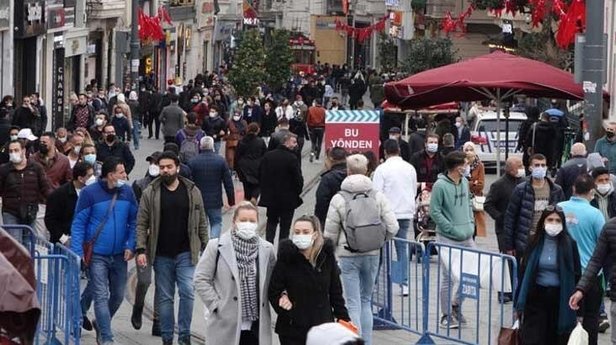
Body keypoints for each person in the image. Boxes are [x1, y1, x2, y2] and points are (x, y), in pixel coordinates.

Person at [324, 154, 398, 345]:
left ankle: (355, 342)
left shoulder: (339, 198)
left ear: (347, 171)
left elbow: (330, 234)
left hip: (348, 255)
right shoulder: (377, 195)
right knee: (366, 301)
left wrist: (332, 254)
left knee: (353, 303)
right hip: (372, 254)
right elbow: (393, 227)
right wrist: (379, 241)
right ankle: (368, 341)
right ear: (367, 170)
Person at [136, 151, 209, 345]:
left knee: (187, 291)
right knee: (166, 298)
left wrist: (206, 246)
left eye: (169, 167)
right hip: (161, 254)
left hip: (186, 252)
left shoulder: (192, 190)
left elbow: (202, 220)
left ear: (177, 167)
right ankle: (167, 337)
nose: (165, 170)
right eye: (162, 167)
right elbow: (141, 223)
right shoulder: (150, 192)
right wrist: (141, 249)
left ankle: (184, 336)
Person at [70, 156, 138, 345]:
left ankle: (99, 322)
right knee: (100, 295)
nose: (125, 175)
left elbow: (134, 221)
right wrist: (77, 251)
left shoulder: (127, 192)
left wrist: (130, 245)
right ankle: (107, 338)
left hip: (119, 255)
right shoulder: (89, 193)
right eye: (122, 172)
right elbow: (78, 223)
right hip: (97, 255)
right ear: (110, 175)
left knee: (117, 295)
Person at [193, 202, 276, 345]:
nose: (247, 224)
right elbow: (200, 278)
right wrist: (216, 304)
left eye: (252, 221)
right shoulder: (217, 246)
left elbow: (275, 282)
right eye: (243, 220)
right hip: (225, 323)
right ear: (234, 222)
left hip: (256, 325)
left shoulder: (267, 249)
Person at [269, 215, 351, 345]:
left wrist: (344, 318)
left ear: (315, 234)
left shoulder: (326, 257)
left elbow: (336, 292)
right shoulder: (286, 257)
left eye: (305, 232)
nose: (300, 235)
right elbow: (274, 289)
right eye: (297, 232)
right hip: (292, 330)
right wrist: (283, 300)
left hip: (322, 327)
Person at [515, 206, 581, 345]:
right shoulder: (533, 241)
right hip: (536, 297)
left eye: (558, 220)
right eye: (550, 219)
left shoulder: (570, 244)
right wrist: (517, 303)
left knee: (554, 339)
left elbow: (576, 275)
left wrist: (579, 309)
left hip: (560, 298)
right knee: (533, 338)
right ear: (543, 222)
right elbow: (523, 272)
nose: (554, 223)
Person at [429, 151, 476, 329]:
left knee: (472, 274)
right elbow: (435, 211)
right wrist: (450, 228)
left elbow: (468, 204)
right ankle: (446, 314)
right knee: (449, 277)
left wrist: (470, 223)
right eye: (466, 163)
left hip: (467, 235)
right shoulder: (440, 185)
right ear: (458, 167)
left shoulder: (464, 182)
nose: (468, 166)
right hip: (447, 238)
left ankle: (456, 304)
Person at [557, 174, 605, 345]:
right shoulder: (595, 214)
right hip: (590, 274)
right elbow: (603, 243)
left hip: (564, 271)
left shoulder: (559, 208)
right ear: (592, 192)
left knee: (565, 314)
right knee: (591, 317)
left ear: (574, 189)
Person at [373, 140, 417, 296]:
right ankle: (403, 283)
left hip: (387, 214)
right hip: (405, 212)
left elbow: (376, 193)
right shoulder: (409, 168)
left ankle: (378, 281)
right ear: (399, 150)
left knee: (382, 249)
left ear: (385, 152)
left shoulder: (382, 169)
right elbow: (413, 189)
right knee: (401, 248)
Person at [503, 154, 565, 258]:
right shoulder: (521, 189)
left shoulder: (556, 190)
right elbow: (510, 218)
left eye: (543, 165)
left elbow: (562, 216)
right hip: (525, 241)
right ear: (530, 168)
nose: (540, 168)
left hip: (548, 238)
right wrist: (509, 246)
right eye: (537, 165)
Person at [485, 156, 525, 302]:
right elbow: (488, 205)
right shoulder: (499, 185)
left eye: (522, 165)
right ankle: (504, 291)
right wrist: (500, 217)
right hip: (504, 229)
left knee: (520, 259)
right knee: (507, 259)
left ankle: (518, 289)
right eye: (518, 166)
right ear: (509, 169)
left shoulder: (524, 182)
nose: (521, 168)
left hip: (520, 227)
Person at [130, 151, 162, 334]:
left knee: (163, 284)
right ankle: (138, 306)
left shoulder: (170, 186)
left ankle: (158, 319)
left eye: (158, 162)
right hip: (144, 241)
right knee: (144, 280)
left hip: (164, 242)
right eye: (152, 162)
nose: (155, 165)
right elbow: (134, 213)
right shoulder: (139, 185)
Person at [0, 140, 51, 242]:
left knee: (28, 244)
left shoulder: (36, 168)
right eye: (10, 151)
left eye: (16, 150)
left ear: (23, 151)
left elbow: (45, 188)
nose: (13, 153)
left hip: (30, 212)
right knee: (15, 243)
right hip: (10, 212)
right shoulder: (4, 169)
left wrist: (53, 203)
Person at [259, 132, 304, 244]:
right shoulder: (292, 158)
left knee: (271, 223)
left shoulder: (268, 156)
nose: (296, 145)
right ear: (286, 142)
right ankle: (282, 251)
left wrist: (265, 191)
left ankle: (268, 246)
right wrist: (296, 192)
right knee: (285, 227)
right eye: (293, 142)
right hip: (288, 199)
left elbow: (261, 175)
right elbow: (298, 180)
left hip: (272, 198)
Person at [188, 136, 235, 239]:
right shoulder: (220, 161)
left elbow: (189, 183)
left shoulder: (192, 162)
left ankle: (203, 247)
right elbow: (228, 182)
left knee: (201, 224)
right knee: (216, 223)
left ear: (200, 146)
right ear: (212, 146)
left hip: (198, 199)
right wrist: (231, 200)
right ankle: (213, 243)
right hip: (215, 200)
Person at [45, 162, 95, 244]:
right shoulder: (59, 195)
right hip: (64, 242)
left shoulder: (93, 192)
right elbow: (50, 220)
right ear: (80, 178)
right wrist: (64, 239)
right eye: (89, 176)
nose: (93, 178)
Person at [314, 147, 347, 227]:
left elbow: (321, 200)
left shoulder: (328, 178)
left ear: (331, 159)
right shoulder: (352, 173)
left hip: (330, 219)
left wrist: (318, 220)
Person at [235, 123, 267, 204]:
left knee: (246, 185)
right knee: (258, 184)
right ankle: (254, 197)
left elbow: (237, 156)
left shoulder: (242, 141)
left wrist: (236, 168)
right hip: (257, 166)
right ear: (257, 131)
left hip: (243, 167)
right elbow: (265, 155)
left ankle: (247, 199)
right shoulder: (260, 141)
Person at [462, 142, 486, 237]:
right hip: (462, 198)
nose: (469, 152)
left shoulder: (479, 165)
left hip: (475, 198)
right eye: (466, 150)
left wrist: (468, 183)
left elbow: (480, 185)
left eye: (471, 150)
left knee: (474, 225)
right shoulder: (461, 164)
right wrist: (473, 183)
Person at [307, 99, 326, 163]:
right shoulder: (324, 110)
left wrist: (309, 128)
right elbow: (325, 119)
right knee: (319, 143)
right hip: (321, 128)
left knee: (313, 144)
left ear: (316, 103)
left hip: (313, 128)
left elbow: (308, 120)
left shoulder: (311, 109)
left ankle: (311, 155)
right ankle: (317, 157)